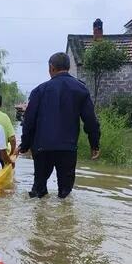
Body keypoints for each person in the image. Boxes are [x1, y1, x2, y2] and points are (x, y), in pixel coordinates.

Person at [19, 52, 101, 199]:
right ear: (68, 67)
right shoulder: (80, 89)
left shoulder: (39, 91)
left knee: (38, 191)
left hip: (42, 148)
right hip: (67, 148)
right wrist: (94, 144)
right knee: (65, 193)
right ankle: (66, 219)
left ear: (51, 67)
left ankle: (39, 219)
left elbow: (29, 121)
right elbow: (91, 121)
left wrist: (25, 145)